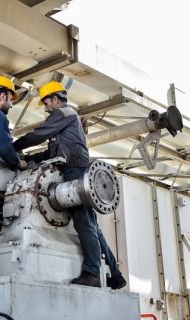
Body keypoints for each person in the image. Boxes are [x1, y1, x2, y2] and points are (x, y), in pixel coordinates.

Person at [13, 81, 127, 290]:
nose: (46, 109)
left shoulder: (64, 113)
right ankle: (116, 275)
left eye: (46, 103)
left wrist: (13, 145)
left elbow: (39, 134)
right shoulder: (66, 123)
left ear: (56, 99)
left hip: (75, 170)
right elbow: (51, 153)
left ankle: (92, 273)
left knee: (83, 222)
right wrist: (30, 158)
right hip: (76, 169)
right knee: (93, 227)